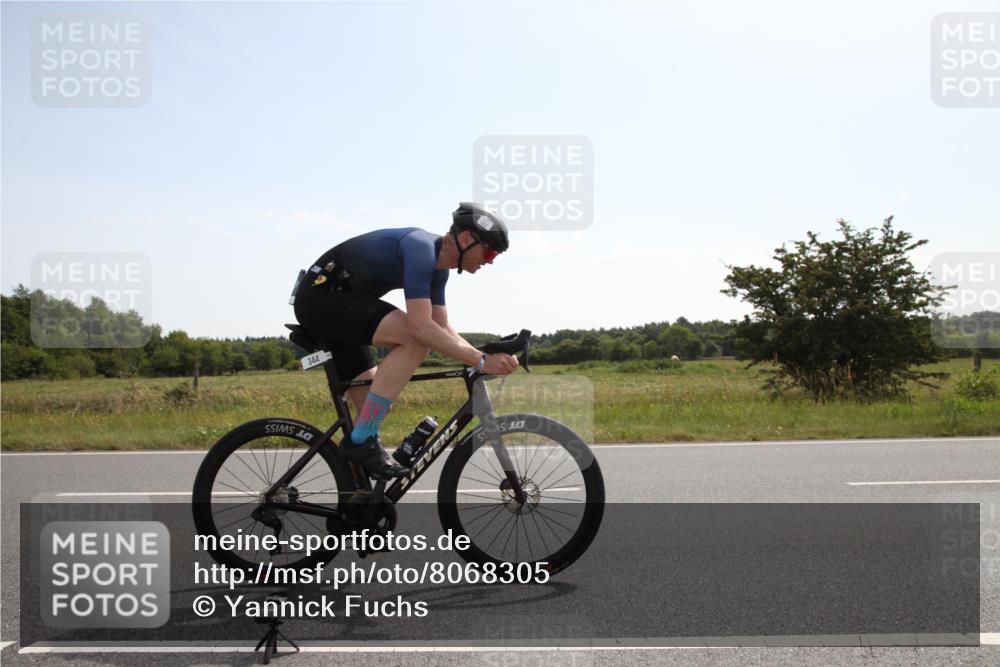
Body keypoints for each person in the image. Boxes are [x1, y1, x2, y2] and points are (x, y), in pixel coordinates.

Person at [293, 203, 519, 479]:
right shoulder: (420, 249)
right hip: (321, 298)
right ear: (467, 239)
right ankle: (360, 442)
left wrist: (480, 353)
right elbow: (421, 328)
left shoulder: (439, 270)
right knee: (416, 340)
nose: (491, 260)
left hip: (344, 309)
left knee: (371, 410)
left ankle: (356, 498)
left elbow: (441, 326)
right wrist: (481, 361)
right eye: (490, 251)